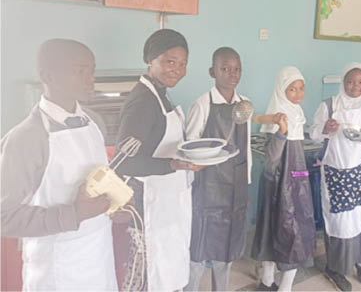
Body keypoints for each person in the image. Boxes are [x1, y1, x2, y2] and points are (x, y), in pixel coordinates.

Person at [1, 39, 125, 290]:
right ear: (48, 76)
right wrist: (74, 214)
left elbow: (99, 179)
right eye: (80, 71)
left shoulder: (94, 123)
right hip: (57, 269)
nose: (90, 79)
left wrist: (115, 204)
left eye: (92, 70)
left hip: (98, 258)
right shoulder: (28, 138)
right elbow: (5, 217)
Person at [115, 29, 202, 291]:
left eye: (183, 63)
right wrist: (173, 165)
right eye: (170, 61)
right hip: (148, 206)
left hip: (168, 204)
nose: (177, 69)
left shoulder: (160, 95)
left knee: (166, 272)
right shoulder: (143, 102)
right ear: (150, 60)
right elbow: (123, 162)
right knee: (146, 277)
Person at [184, 47, 251, 291]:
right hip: (206, 189)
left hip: (235, 190)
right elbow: (189, 147)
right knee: (198, 252)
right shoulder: (202, 104)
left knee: (226, 253)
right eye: (225, 68)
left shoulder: (244, 106)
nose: (232, 74)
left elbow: (246, 151)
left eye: (236, 69)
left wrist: (246, 189)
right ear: (213, 71)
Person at [310, 62, 361, 291]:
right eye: (351, 81)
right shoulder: (329, 106)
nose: (355, 86)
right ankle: (335, 268)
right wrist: (326, 128)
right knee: (339, 221)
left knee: (359, 217)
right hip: (335, 171)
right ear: (343, 81)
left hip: (359, 170)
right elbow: (314, 134)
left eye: (360, 82)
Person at [251, 66, 316, 292]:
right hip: (276, 182)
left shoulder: (297, 112)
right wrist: (281, 132)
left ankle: (285, 285)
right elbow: (271, 160)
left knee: (294, 231)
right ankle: (268, 281)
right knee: (273, 228)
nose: (298, 94)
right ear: (281, 90)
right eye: (291, 89)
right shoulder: (277, 115)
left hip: (296, 182)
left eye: (301, 88)